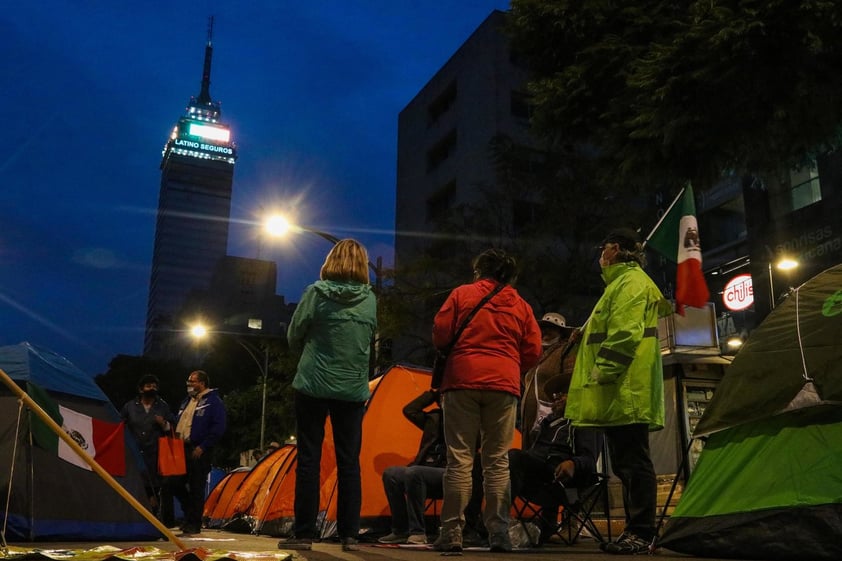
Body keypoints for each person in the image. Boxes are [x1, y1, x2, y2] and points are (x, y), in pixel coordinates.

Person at [565, 227, 672, 555]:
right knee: (628, 464)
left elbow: (624, 334)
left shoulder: (630, 283)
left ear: (614, 249)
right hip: (621, 389)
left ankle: (641, 533)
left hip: (624, 387)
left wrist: (602, 374)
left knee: (632, 463)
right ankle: (636, 531)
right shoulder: (621, 285)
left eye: (604, 247)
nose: (600, 254)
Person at [431, 248, 542, 553]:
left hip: (461, 380)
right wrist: (507, 366)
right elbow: (533, 350)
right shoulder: (520, 305)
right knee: (497, 461)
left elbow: (441, 335)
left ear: (480, 271)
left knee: (460, 460)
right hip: (503, 385)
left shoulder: (461, 294)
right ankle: (499, 533)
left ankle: (452, 532)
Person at [279, 239, 377, 552]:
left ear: (331, 260)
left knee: (309, 458)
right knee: (349, 462)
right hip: (351, 388)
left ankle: (305, 532)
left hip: (313, 385)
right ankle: (349, 533)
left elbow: (294, 335)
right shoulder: (370, 299)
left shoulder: (316, 292)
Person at [378, 389, 485, 546]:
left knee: (414, 472)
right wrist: (434, 393)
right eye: (443, 398)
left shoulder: (469, 421)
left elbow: (480, 440)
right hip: (425, 470)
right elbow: (409, 410)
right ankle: (401, 530)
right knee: (391, 474)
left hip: (453, 474)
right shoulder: (433, 418)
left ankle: (418, 532)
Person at [509, 373, 603, 544]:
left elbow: (589, 460)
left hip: (563, 482)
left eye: (563, 393)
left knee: (514, 457)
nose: (557, 398)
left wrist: (573, 463)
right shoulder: (548, 423)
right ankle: (479, 527)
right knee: (488, 462)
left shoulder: (585, 421)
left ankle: (498, 522)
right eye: (555, 395)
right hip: (538, 478)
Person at [171, 369, 227, 536]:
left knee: (196, 487)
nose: (189, 384)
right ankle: (190, 515)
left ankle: (194, 523)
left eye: (192, 381)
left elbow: (219, 427)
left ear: (202, 383)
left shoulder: (213, 401)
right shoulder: (186, 401)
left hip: (199, 450)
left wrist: (203, 446)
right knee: (173, 483)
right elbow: (179, 421)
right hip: (182, 448)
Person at [120, 374, 175, 522]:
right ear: (141, 389)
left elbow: (172, 428)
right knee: (136, 486)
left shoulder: (162, 406)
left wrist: (163, 424)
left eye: (154, 386)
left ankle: (152, 518)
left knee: (154, 488)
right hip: (134, 453)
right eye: (149, 386)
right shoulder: (130, 406)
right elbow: (121, 426)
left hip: (155, 454)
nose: (152, 389)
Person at [520, 313, 578, 450]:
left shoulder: (565, 351)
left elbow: (571, 379)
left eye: (550, 328)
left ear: (560, 332)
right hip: (528, 421)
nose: (545, 331)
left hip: (551, 420)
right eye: (543, 328)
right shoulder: (535, 355)